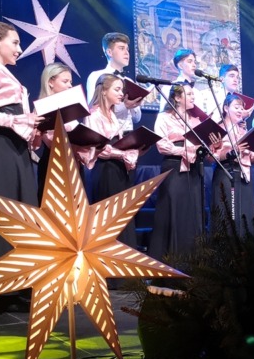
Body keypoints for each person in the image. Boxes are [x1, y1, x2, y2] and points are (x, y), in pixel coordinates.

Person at [0, 21, 43, 313]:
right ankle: (0, 289)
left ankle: (17, 284)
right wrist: (18, 120)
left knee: (20, 212)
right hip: (0, 146)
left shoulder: (4, 72)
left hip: (16, 148)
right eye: (15, 42)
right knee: (4, 211)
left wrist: (31, 126)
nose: (20, 49)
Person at [148, 84, 215, 262]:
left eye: (193, 94)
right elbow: (161, 145)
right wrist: (185, 150)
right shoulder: (164, 117)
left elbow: (204, 145)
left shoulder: (196, 120)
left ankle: (193, 259)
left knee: (193, 211)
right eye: (189, 94)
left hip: (194, 168)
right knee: (173, 209)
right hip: (174, 167)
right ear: (177, 98)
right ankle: (170, 258)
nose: (193, 97)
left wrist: (211, 144)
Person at [84, 73, 141, 253]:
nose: (121, 94)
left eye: (121, 90)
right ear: (103, 91)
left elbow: (118, 141)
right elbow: (98, 148)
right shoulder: (93, 115)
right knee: (108, 218)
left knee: (122, 217)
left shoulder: (112, 114)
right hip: (105, 170)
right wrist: (122, 154)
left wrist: (131, 152)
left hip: (119, 169)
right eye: (117, 90)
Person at [34, 63, 95, 203]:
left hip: (74, 164)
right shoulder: (42, 107)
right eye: (65, 81)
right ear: (50, 82)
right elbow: (50, 141)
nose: (69, 86)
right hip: (54, 165)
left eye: (70, 82)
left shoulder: (70, 108)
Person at [210, 93, 254, 235]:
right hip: (226, 173)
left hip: (244, 175)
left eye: (242, 108)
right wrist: (232, 150)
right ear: (226, 108)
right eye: (237, 107)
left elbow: (251, 158)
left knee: (245, 214)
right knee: (227, 216)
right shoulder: (218, 129)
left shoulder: (243, 131)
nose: (240, 110)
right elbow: (212, 157)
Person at [86, 32, 143, 133]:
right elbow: (92, 110)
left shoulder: (129, 81)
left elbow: (136, 119)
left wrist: (135, 105)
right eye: (121, 48)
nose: (126, 53)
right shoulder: (96, 76)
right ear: (109, 52)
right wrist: (125, 106)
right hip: (106, 134)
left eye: (127, 49)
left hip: (128, 135)